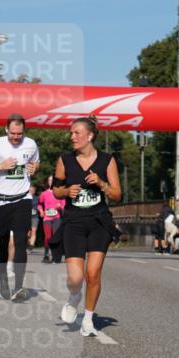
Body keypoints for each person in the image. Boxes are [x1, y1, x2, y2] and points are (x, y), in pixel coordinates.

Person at [51, 115, 122, 337]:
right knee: (75, 278)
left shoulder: (107, 160)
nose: (72, 137)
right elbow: (55, 190)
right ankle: (74, 297)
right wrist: (65, 192)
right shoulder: (64, 160)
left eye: (77, 133)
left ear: (89, 136)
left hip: (99, 221)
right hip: (73, 222)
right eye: (71, 133)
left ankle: (89, 319)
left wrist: (101, 184)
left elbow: (118, 194)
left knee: (93, 273)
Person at [0, 114, 39, 302]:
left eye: (19, 133)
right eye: (13, 133)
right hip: (1, 200)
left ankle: (18, 286)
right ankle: (3, 277)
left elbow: (36, 161)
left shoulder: (31, 144)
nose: (16, 137)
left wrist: (35, 168)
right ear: (6, 130)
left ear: (24, 131)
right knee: (2, 241)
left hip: (22, 198)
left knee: (20, 240)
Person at [38, 175, 65, 263]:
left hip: (57, 218)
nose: (51, 182)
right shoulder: (44, 194)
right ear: (48, 182)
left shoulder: (59, 193)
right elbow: (39, 204)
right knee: (48, 237)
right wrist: (41, 211)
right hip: (47, 218)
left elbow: (64, 205)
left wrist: (60, 207)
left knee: (55, 237)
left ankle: (55, 256)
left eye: (53, 180)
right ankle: (46, 255)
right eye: (50, 180)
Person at [28, 185, 40, 253]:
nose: (31, 191)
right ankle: (29, 244)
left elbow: (41, 205)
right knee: (27, 233)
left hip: (35, 217)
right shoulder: (25, 198)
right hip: (26, 217)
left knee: (33, 231)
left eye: (32, 190)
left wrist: (40, 210)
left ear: (34, 191)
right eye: (30, 190)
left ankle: (31, 247)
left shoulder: (37, 198)